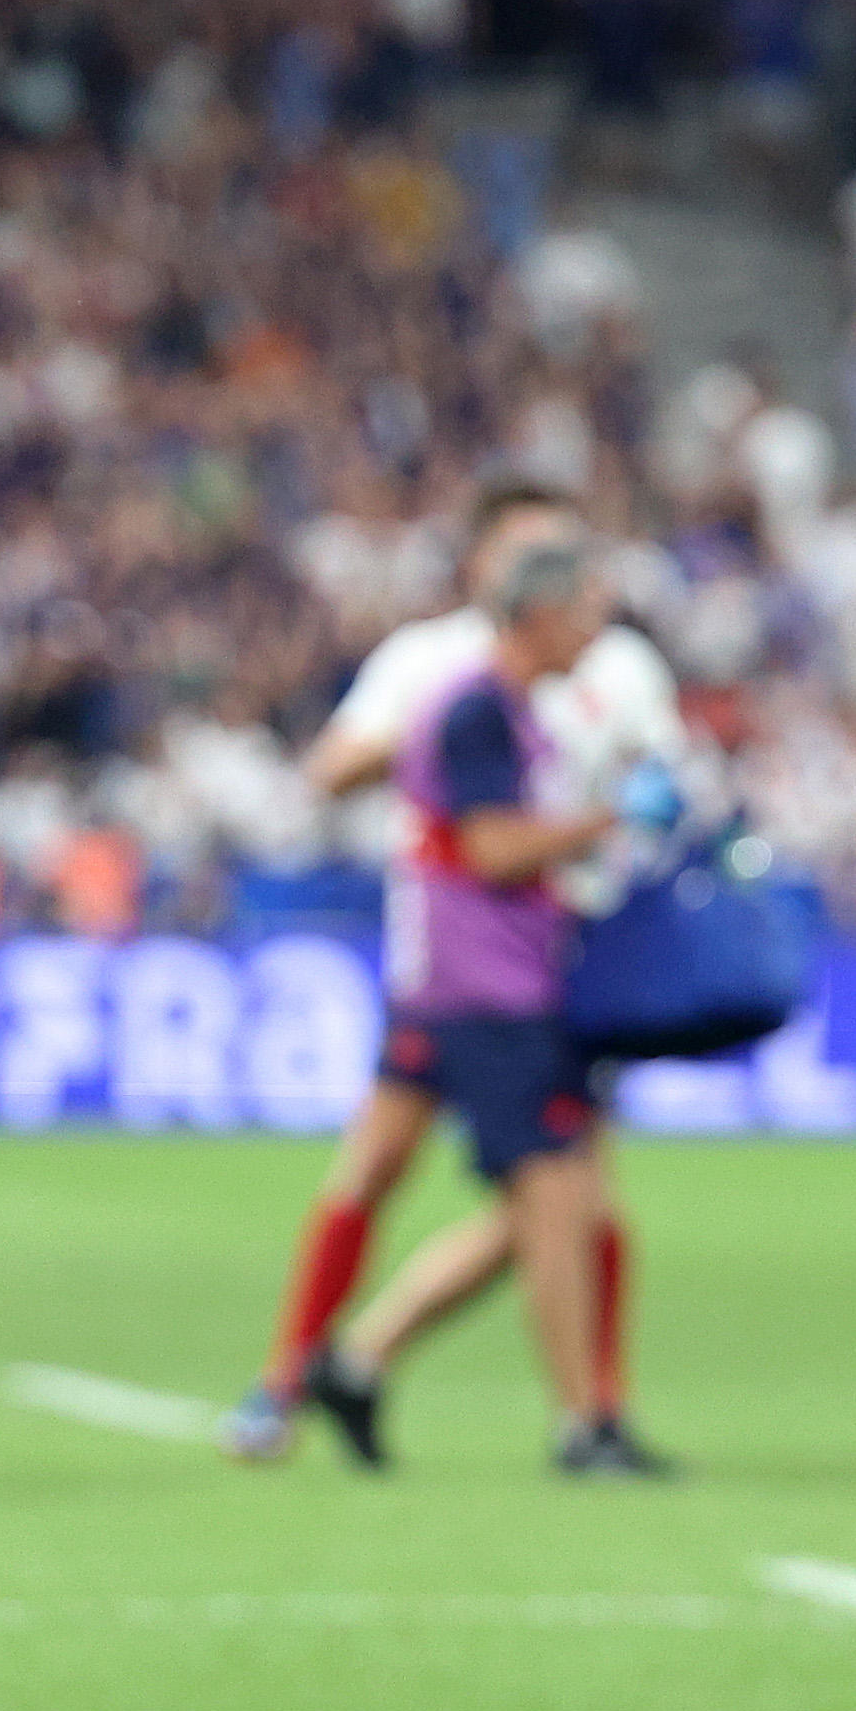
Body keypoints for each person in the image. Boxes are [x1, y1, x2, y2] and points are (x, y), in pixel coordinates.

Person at [223, 493, 683, 1467]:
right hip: (480, 980)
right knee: (538, 1191)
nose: (594, 621)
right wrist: (602, 822)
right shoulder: (455, 687)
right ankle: (577, 1419)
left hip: (504, 972)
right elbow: (485, 841)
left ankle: (351, 1364)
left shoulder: (534, 693)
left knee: (543, 1198)